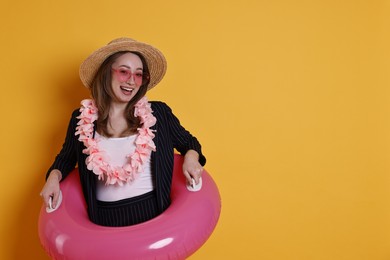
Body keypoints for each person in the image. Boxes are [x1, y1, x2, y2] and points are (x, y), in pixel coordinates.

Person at [40, 37, 206, 227]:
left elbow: (190, 143)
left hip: (154, 215)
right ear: (106, 74)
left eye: (138, 74)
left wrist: (191, 159)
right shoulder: (82, 118)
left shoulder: (158, 113)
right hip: (104, 221)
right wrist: (53, 178)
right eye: (123, 72)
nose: (131, 81)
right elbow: (66, 158)